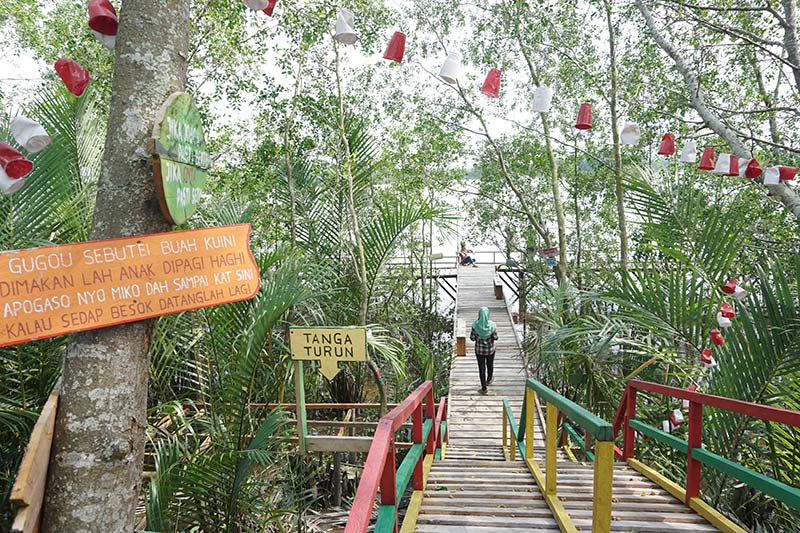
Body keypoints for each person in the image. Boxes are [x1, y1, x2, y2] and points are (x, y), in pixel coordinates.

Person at [470, 306, 497, 395]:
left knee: (481, 368)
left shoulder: (475, 325)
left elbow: (472, 338)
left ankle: (484, 387)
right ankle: (489, 379)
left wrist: (479, 337)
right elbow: (496, 337)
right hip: (490, 350)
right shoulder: (492, 325)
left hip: (479, 351)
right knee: (490, 365)